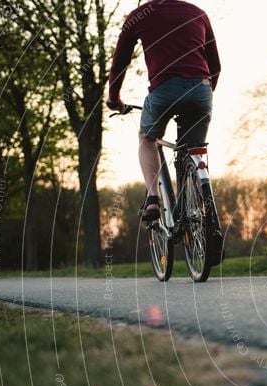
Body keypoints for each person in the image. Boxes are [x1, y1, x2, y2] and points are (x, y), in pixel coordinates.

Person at [107, 0, 221, 221]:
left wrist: (114, 98)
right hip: (201, 90)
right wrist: (204, 95)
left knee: (147, 138)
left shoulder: (138, 15)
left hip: (163, 91)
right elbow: (215, 65)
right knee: (194, 149)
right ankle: (201, 210)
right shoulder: (198, 13)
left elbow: (120, 61)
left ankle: (152, 200)